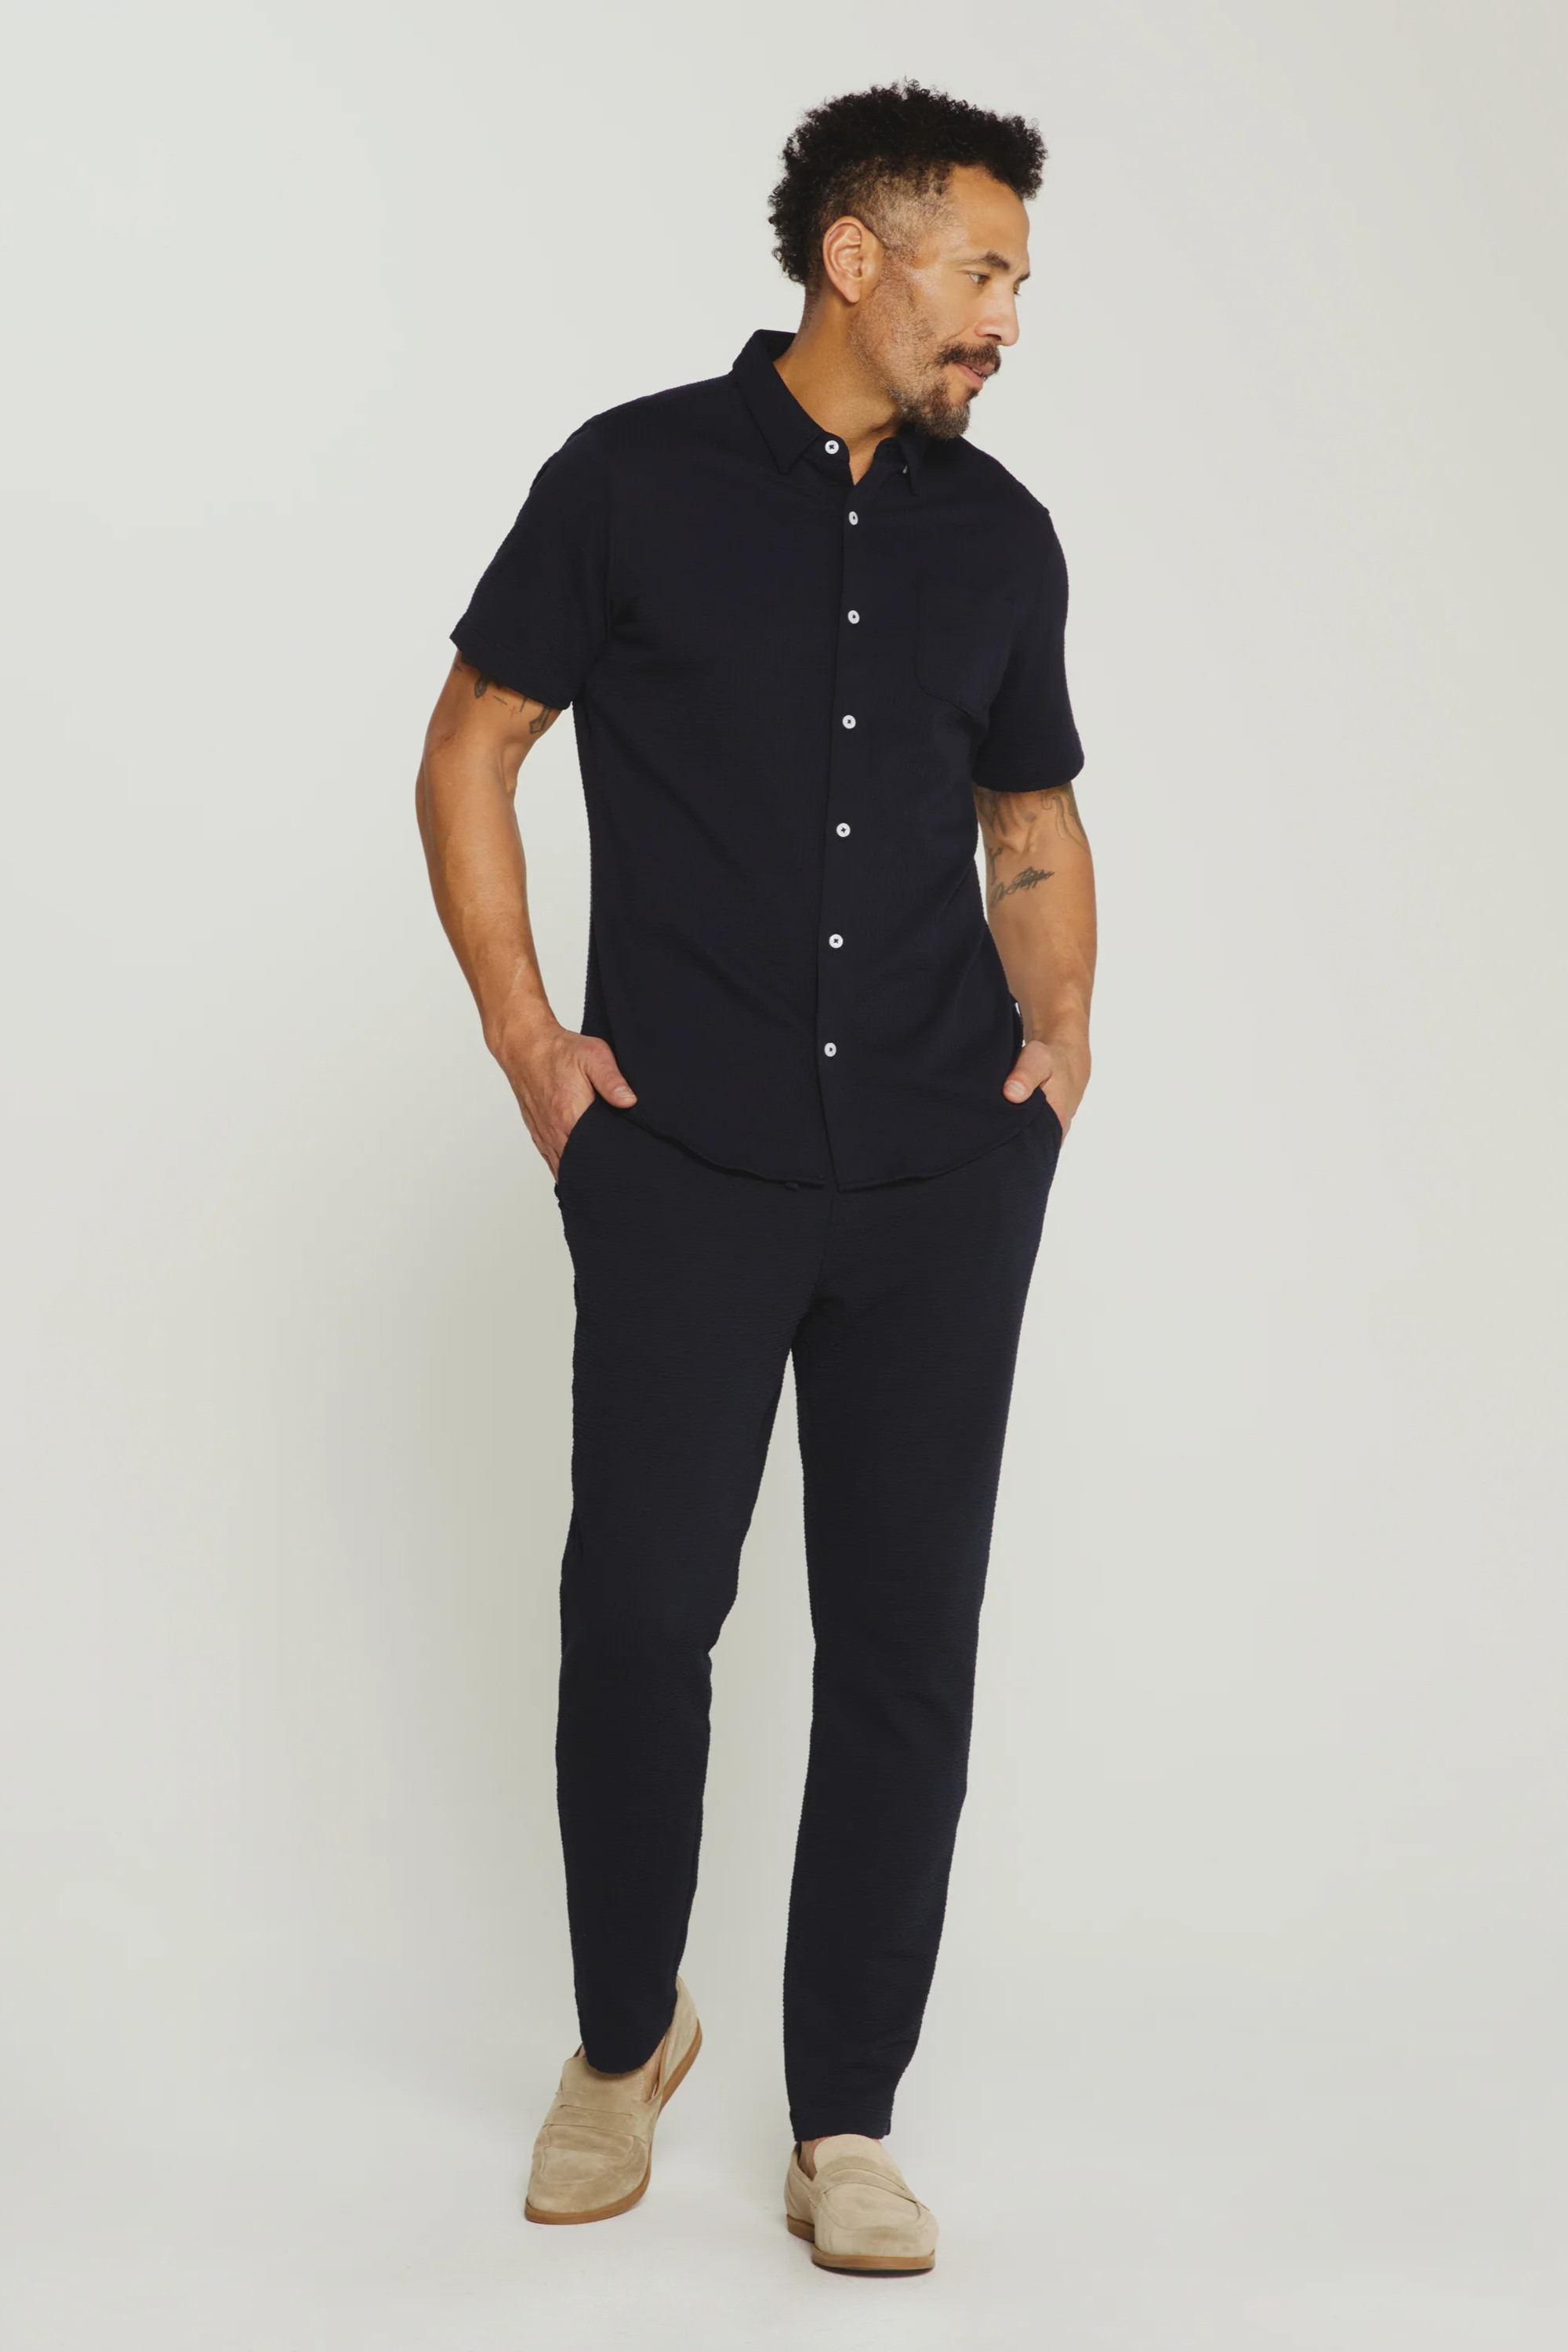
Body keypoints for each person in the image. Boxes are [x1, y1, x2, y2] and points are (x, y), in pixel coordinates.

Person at [416, 78, 1096, 2276]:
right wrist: (532, 1047)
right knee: (640, 1613)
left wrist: (1061, 1051)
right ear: (853, 258)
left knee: (905, 1640)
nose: (1006, 316)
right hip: (683, 1161)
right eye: (980, 270)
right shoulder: (629, 482)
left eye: (1016, 278)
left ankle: (847, 2121)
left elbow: (1031, 818)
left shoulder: (1003, 539)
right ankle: (626, 2040)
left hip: (941, 1171)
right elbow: (473, 746)